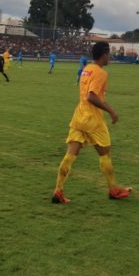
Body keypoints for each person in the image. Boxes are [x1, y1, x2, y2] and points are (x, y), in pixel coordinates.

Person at [51, 42, 132, 204]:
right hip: (93, 120)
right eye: (109, 54)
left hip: (79, 116)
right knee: (105, 154)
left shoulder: (87, 69)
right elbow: (91, 96)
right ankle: (113, 190)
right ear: (104, 54)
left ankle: (58, 190)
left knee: (70, 155)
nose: (109, 57)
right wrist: (111, 111)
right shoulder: (101, 73)